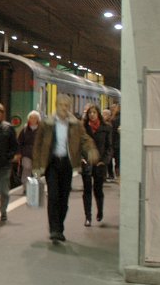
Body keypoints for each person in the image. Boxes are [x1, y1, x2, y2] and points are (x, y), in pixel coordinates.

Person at [32, 93, 99, 242]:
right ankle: (54, 229)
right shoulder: (46, 124)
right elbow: (37, 146)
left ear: (69, 107)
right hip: (52, 164)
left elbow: (85, 139)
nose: (64, 108)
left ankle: (60, 227)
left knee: (64, 199)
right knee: (53, 196)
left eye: (66, 106)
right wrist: (36, 166)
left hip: (67, 165)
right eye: (61, 105)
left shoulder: (76, 124)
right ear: (56, 106)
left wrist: (91, 150)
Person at [81, 104, 113, 226]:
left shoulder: (106, 128)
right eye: (90, 113)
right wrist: (81, 158)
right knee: (87, 190)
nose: (92, 115)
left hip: (100, 163)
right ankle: (88, 217)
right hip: (87, 162)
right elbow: (78, 145)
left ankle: (100, 211)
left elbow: (109, 147)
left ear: (98, 114)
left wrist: (104, 161)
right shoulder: (83, 128)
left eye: (94, 112)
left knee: (98, 189)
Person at [14, 110, 40, 197]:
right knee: (27, 168)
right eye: (31, 118)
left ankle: (35, 188)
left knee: (36, 171)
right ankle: (25, 187)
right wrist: (19, 153)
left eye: (35, 118)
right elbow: (19, 142)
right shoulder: (25, 130)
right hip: (26, 154)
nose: (33, 119)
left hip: (37, 154)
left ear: (38, 119)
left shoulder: (41, 130)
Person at [109, 103, 121, 180]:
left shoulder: (117, 118)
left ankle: (116, 175)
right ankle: (115, 175)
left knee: (117, 160)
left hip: (116, 142)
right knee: (116, 160)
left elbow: (113, 131)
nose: (112, 109)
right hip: (115, 142)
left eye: (114, 108)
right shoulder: (114, 117)